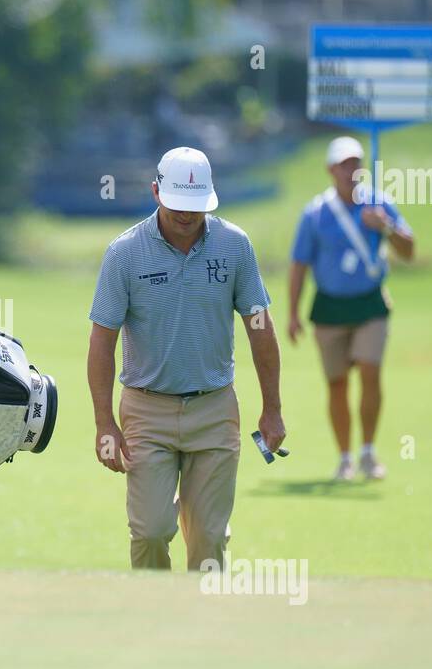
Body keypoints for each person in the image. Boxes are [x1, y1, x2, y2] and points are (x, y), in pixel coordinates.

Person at [87, 146, 285, 571]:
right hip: (147, 410)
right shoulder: (124, 253)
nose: (185, 215)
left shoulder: (235, 246)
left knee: (209, 540)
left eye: (195, 206)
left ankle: (202, 627)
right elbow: (102, 342)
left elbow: (260, 329)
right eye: (177, 204)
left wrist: (273, 409)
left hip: (214, 409)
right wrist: (106, 423)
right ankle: (149, 617)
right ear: (156, 192)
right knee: (151, 531)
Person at [286, 136, 414, 482]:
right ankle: (344, 457)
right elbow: (299, 264)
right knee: (337, 384)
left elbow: (409, 251)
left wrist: (384, 226)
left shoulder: (380, 205)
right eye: (344, 164)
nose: (352, 170)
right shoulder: (315, 214)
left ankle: (368, 453)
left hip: (371, 304)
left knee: (371, 373)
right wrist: (293, 313)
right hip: (329, 307)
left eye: (356, 163)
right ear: (331, 170)